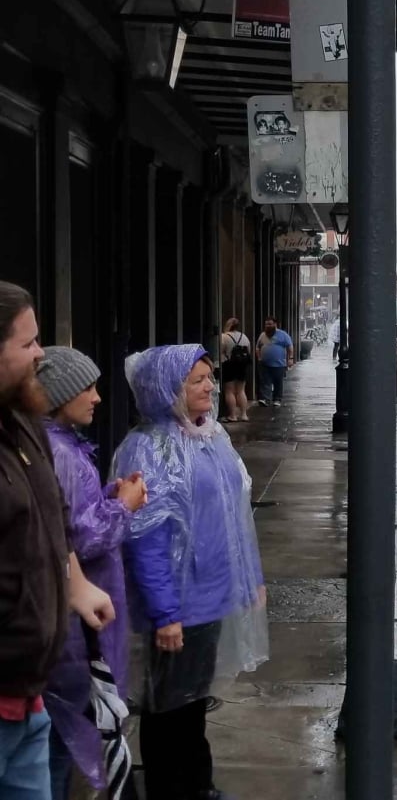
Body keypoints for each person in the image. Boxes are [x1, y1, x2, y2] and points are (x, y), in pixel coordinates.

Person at [115, 345, 268, 800]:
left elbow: (235, 513)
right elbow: (145, 539)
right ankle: (172, 789)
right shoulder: (148, 448)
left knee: (193, 704)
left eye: (209, 377)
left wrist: (250, 577)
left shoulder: (210, 436)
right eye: (196, 379)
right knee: (167, 712)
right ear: (167, 388)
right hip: (179, 608)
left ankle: (198, 785)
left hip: (212, 598)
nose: (209, 386)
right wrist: (165, 614)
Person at [0, 283, 115, 800]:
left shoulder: (22, 426)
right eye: (28, 344)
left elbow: (56, 517)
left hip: (31, 694)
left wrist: (74, 584)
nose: (41, 354)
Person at [36, 348, 145, 799]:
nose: (98, 397)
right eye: (87, 388)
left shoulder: (58, 447)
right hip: (79, 624)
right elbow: (76, 540)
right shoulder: (61, 453)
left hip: (79, 613)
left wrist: (105, 497)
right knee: (63, 737)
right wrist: (125, 506)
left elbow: (73, 519)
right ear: (60, 396)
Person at [218, 318, 252, 423]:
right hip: (242, 366)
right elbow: (248, 351)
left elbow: (220, 351)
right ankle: (244, 415)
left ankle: (232, 415)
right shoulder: (244, 337)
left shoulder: (224, 337)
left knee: (230, 391)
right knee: (241, 390)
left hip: (229, 365)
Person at [255, 319, 294, 407]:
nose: (268, 326)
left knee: (278, 382)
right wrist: (259, 357)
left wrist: (290, 358)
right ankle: (265, 399)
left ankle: (277, 399)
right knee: (265, 381)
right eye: (266, 324)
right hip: (264, 363)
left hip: (279, 364)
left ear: (275, 324)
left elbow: (290, 346)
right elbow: (258, 347)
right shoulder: (262, 335)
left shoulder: (283, 335)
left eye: (270, 324)